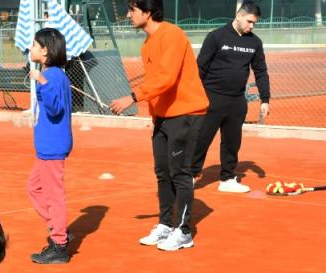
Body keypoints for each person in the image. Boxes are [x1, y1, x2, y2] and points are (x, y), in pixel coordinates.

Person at [110, 0, 208, 252]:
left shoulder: (172, 35)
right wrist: (156, 116)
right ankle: (166, 224)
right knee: (163, 173)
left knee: (180, 173)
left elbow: (166, 78)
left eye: (133, 10)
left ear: (148, 12)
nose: (128, 14)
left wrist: (131, 98)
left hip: (186, 113)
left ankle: (184, 231)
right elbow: (157, 84)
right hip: (163, 118)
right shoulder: (146, 45)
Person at [190, 2, 270, 193]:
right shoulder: (216, 36)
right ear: (239, 16)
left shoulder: (254, 43)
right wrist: (193, 95)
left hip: (236, 100)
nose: (252, 26)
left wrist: (265, 99)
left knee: (232, 141)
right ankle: (190, 175)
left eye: (254, 23)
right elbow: (199, 67)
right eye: (250, 21)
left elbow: (260, 71)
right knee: (202, 138)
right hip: (212, 98)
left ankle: (227, 178)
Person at [26, 29, 74, 266]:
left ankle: (59, 244)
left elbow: (55, 109)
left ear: (45, 50)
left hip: (52, 146)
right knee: (34, 187)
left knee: (53, 195)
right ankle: (59, 227)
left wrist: (42, 82)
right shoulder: (53, 73)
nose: (31, 48)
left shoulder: (52, 75)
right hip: (47, 146)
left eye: (34, 45)